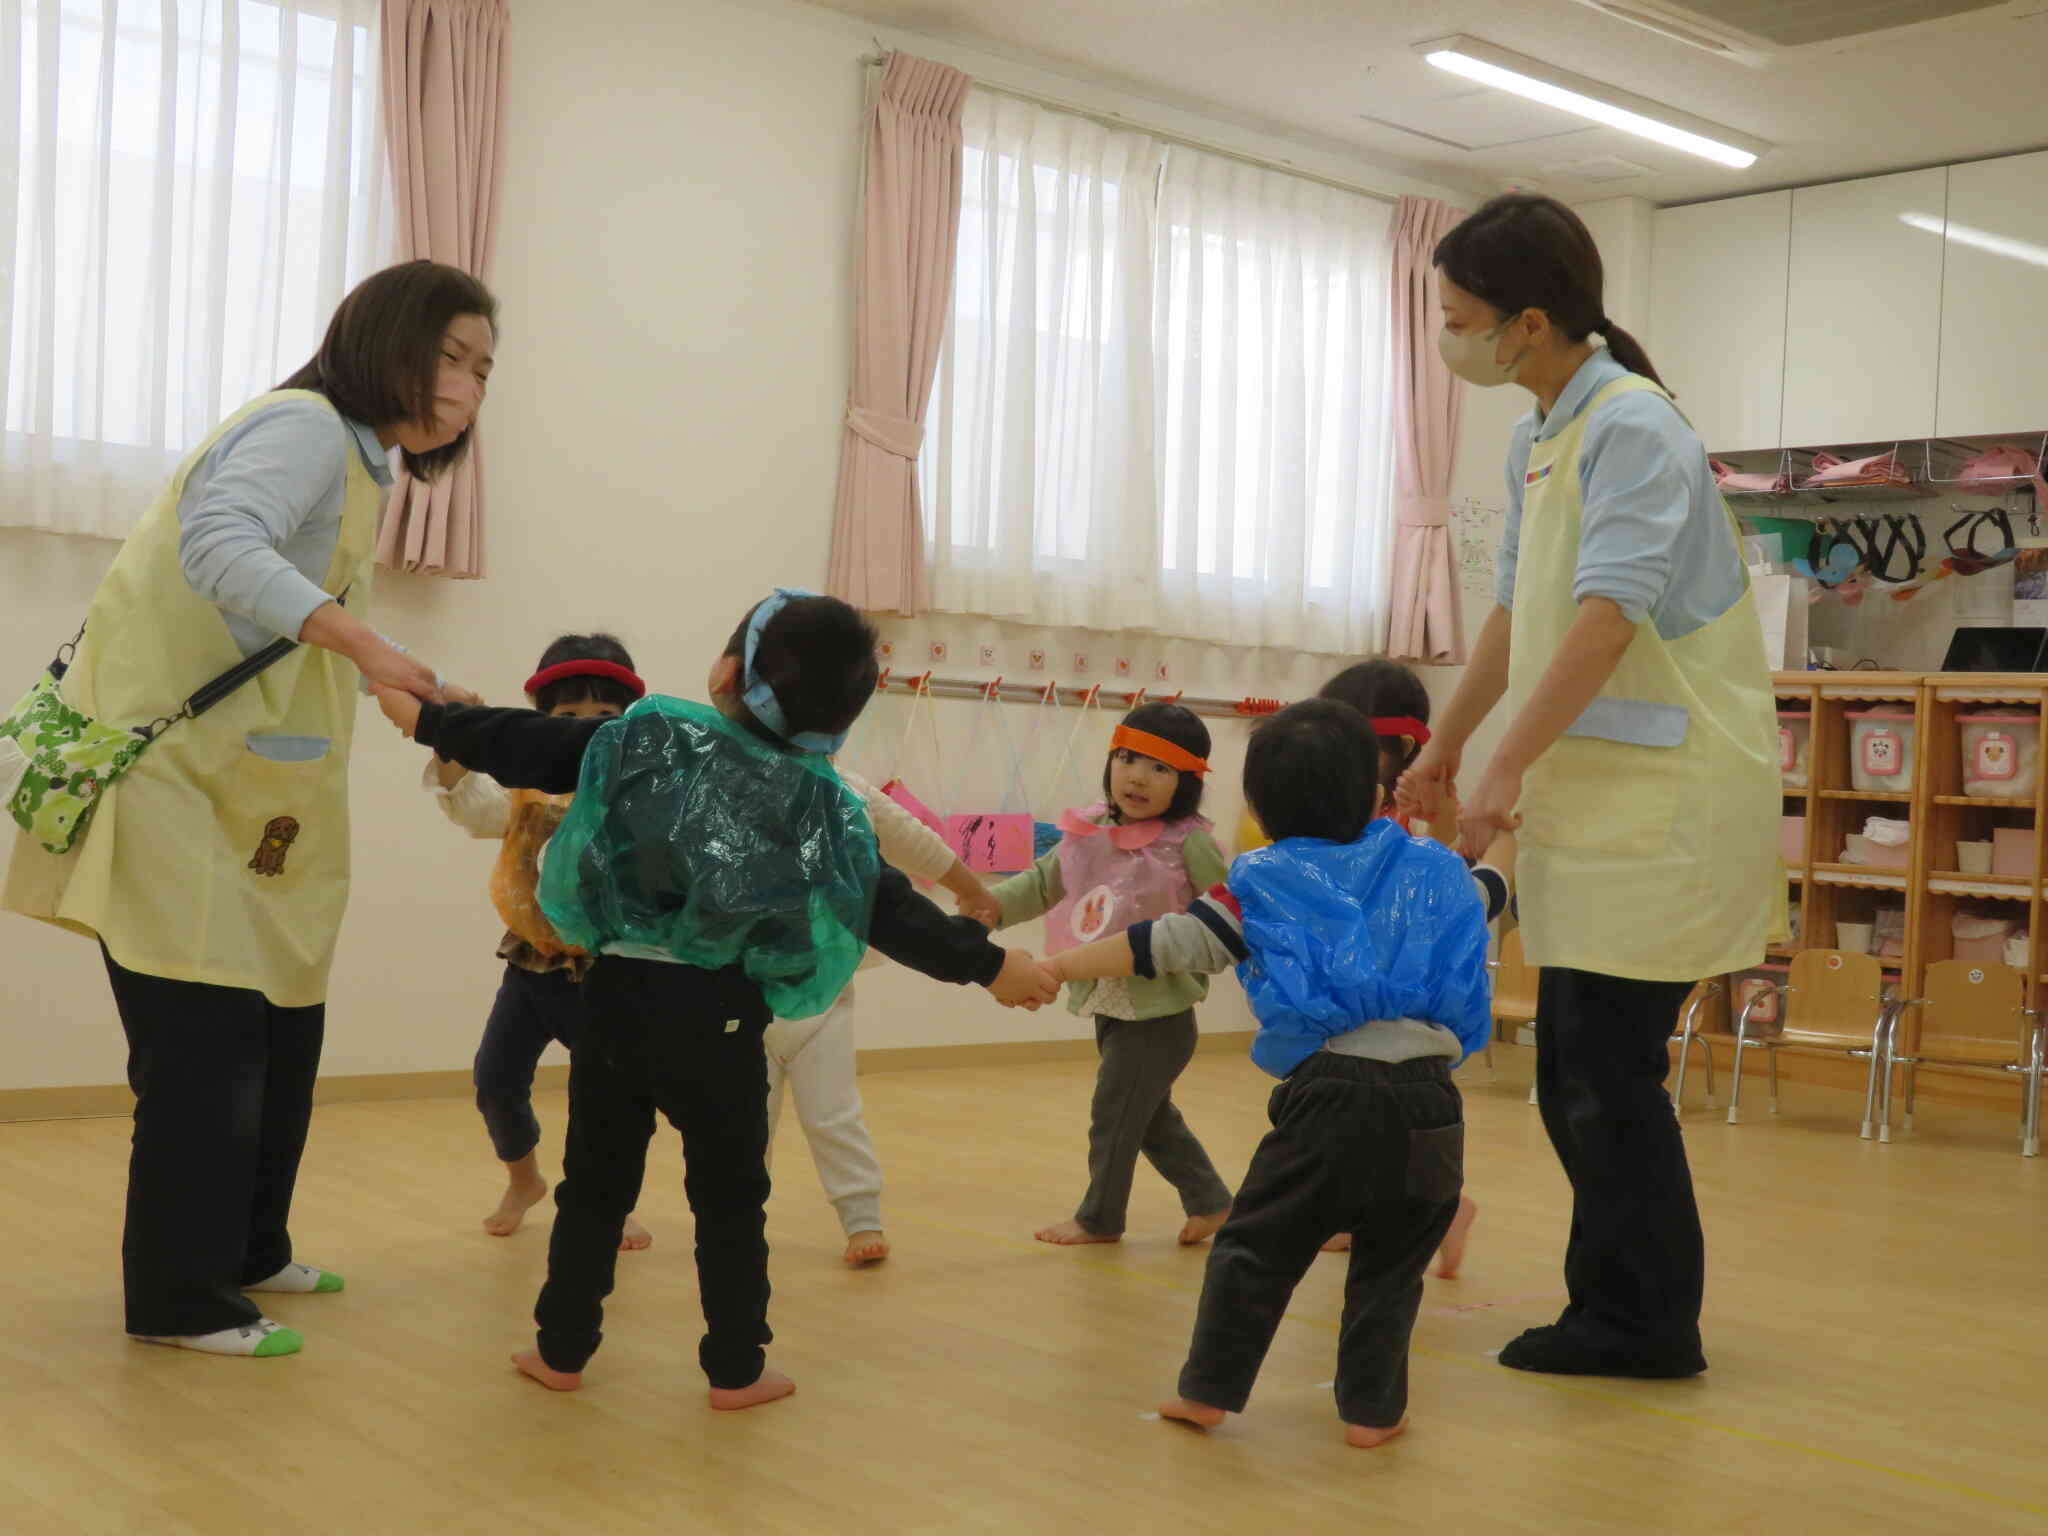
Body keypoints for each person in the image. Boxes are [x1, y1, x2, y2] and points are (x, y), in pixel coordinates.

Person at [372, 589, 1060, 1411]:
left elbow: (527, 744)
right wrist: (993, 966)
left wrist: (425, 719)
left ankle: (561, 1350)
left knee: (594, 1190)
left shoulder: (650, 738)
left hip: (615, 1000)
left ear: (725, 672)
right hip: (723, 1018)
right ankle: (736, 1368)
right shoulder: (818, 801)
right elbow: (887, 905)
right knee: (731, 1201)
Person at [2, 259, 491, 1359]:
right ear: (384, 341)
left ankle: (248, 1245)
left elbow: (294, 616)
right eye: (450, 356)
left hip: (250, 794)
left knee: (281, 1020)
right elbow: (221, 546)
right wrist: (370, 646)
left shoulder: (363, 464)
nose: (465, 387)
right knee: (205, 1044)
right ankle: (180, 1296)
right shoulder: (307, 426)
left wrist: (388, 673)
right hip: (177, 784)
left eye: (482, 371)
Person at [1402, 194, 1781, 1380]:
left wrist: (1503, 761)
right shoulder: (1539, 439)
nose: (1445, 336)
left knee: (1599, 1072)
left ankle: (1643, 1321)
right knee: (1580, 1069)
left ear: (1525, 323)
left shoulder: (1634, 429)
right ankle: (1617, 1308)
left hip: (1666, 806)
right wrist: (1442, 746)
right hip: (1598, 802)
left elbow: (1608, 619)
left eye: (1458, 317)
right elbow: (1518, 616)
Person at [1049, 699, 1508, 1448]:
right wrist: (1498, 831)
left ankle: (1207, 1393)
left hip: (1331, 1096)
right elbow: (1490, 885)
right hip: (1433, 1103)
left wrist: (1055, 966)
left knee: (1254, 1250)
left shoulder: (1261, 882)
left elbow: (1159, 945)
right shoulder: (1432, 872)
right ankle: (1372, 1413)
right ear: (1373, 796)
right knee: (1391, 1273)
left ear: (1257, 808)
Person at [423, 633, 656, 1248]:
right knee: (495, 1080)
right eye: (567, 718)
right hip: (530, 965)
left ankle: (610, 1203)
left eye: (603, 718)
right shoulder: (521, 785)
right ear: (540, 724)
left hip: (605, 973)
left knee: (602, 1102)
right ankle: (523, 1179)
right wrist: (449, 730)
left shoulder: (634, 790)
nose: (584, 731)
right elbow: (473, 808)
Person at [987, 703, 1235, 1248]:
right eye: (1127, 758)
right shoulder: (1088, 829)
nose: (1137, 777)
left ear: (1187, 783)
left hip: (1161, 1015)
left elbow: (1234, 908)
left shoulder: (1189, 842)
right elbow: (1038, 885)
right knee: (1147, 1118)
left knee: (1114, 1114)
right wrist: (984, 908)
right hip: (1108, 1002)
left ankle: (1100, 1218)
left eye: (1159, 768)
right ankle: (1214, 1204)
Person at [1314, 658, 1506, 1272]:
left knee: (1405, 1122)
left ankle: (1445, 1209)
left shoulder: (1414, 812)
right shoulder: (1342, 811)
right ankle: (1363, 1210)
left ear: (1401, 748)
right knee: (1346, 1115)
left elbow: (1457, 867)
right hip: (1350, 992)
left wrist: (1441, 810)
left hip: (1412, 999)